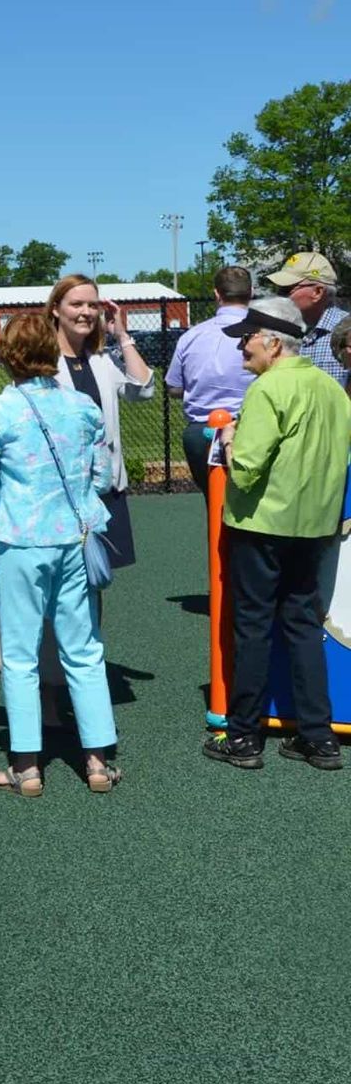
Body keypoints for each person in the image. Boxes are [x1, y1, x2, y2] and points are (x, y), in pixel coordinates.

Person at [0, 314, 121, 796]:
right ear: (52, 352)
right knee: (84, 650)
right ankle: (97, 762)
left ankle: (27, 767)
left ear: (7, 354)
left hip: (21, 541)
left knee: (19, 655)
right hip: (75, 538)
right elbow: (101, 478)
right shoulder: (83, 409)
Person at [203, 297, 351, 772]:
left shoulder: (267, 390)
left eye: (247, 338)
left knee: (253, 628)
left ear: (272, 342)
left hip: (264, 525)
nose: (242, 347)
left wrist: (228, 441)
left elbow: (245, 470)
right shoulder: (332, 388)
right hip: (317, 526)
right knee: (304, 625)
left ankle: (245, 737)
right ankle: (318, 737)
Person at [44, 274, 154, 570]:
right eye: (76, 304)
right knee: (64, 583)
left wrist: (122, 335)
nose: (86, 312)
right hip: (61, 492)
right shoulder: (42, 363)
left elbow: (142, 388)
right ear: (56, 309)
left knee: (97, 577)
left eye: (92, 305)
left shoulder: (101, 361)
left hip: (104, 488)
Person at [165, 266, 253, 497]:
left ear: (217, 294)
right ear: (251, 292)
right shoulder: (263, 333)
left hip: (200, 433)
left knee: (214, 503)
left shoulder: (191, 336)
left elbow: (174, 387)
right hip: (249, 428)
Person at [265, 250, 348, 386]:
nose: (279, 296)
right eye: (278, 289)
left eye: (286, 290)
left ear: (317, 292)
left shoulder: (347, 333)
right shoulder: (278, 331)